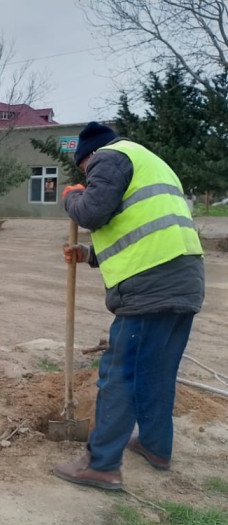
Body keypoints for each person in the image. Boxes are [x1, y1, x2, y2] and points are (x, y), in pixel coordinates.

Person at [53, 122, 205, 490]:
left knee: (120, 375)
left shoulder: (108, 157)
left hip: (149, 290)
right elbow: (142, 230)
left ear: (86, 158)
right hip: (182, 279)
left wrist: (71, 196)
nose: (86, 177)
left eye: (83, 172)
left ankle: (101, 463)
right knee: (156, 372)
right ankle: (155, 446)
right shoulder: (150, 162)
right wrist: (89, 255)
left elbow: (91, 212)